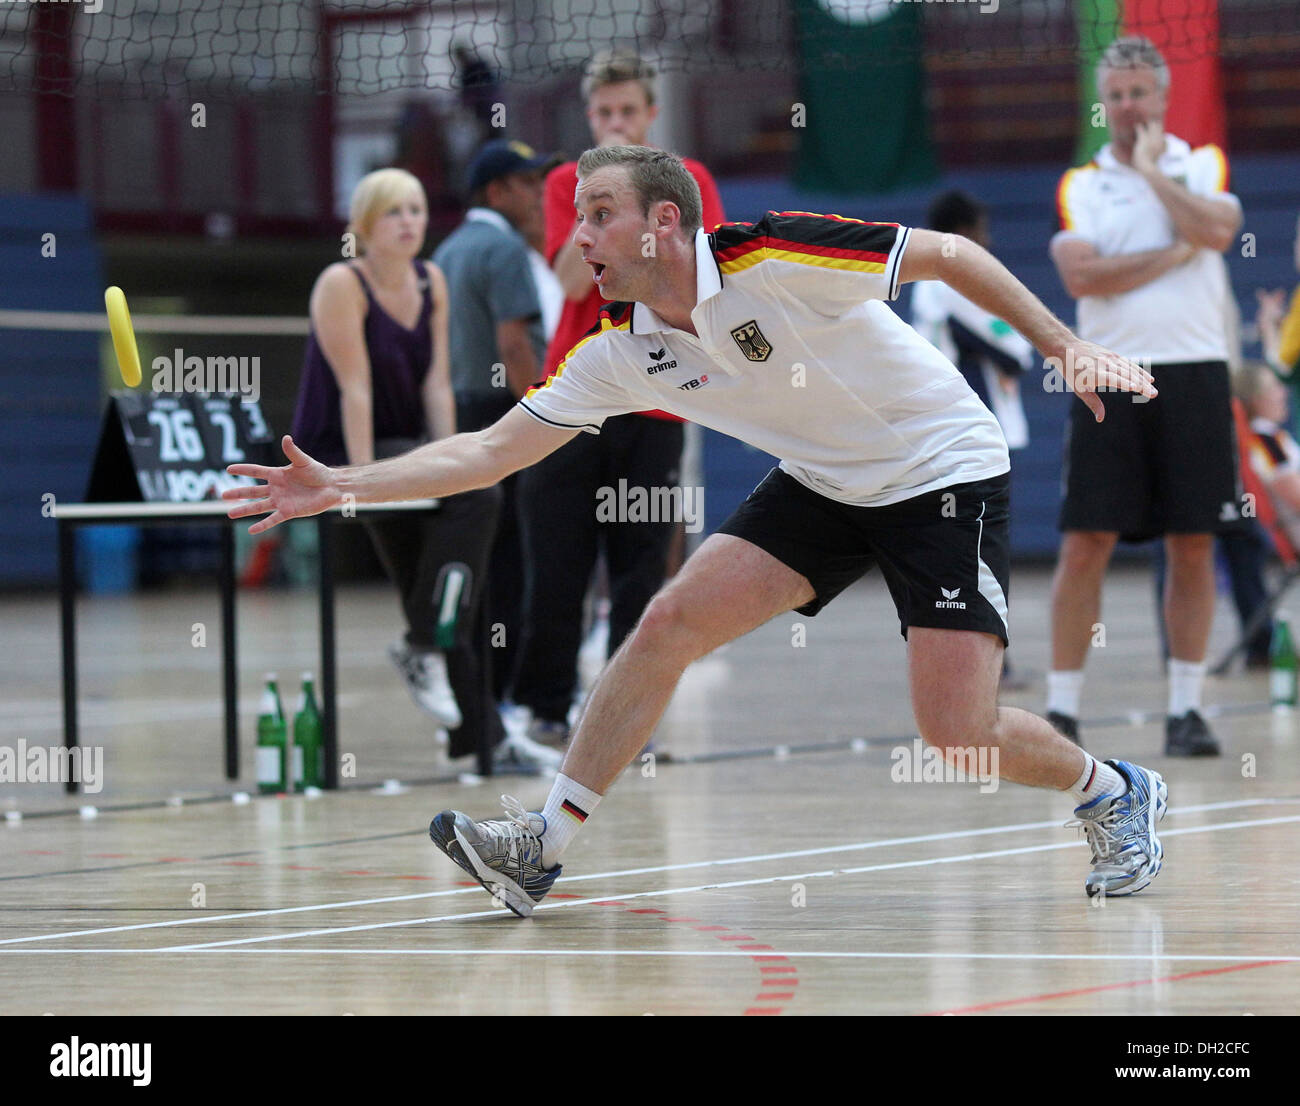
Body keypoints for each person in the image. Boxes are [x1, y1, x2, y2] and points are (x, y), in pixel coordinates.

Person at [226, 145, 1165, 918]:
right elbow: (487, 453)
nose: (578, 233)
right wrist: (342, 486)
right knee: (670, 619)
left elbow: (951, 257)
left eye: (598, 213)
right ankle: (541, 848)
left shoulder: (773, 254)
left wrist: (1064, 345)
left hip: (942, 470)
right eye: (577, 216)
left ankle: (1112, 789)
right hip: (826, 482)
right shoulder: (620, 352)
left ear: (662, 222)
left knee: (955, 731)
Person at [288, 167, 541, 776]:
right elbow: (354, 389)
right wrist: (358, 482)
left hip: (408, 440)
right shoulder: (340, 283)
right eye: (395, 212)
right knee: (439, 583)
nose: (410, 222)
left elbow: (435, 382)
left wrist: (455, 457)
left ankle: (456, 700)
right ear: (366, 225)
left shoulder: (432, 281)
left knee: (463, 546)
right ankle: (476, 727)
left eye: (418, 210)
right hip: (342, 449)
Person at [510, 50, 727, 745]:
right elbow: (576, 283)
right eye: (604, 113)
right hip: (574, 397)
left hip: (659, 397)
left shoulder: (690, 183)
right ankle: (546, 709)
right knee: (559, 563)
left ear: (651, 114)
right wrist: (600, 205)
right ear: (590, 117)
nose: (616, 123)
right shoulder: (561, 185)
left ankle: (622, 718)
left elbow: (703, 276)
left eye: (628, 111)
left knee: (641, 573)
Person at [1047, 36, 1242, 756]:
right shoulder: (1082, 184)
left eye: (1140, 94)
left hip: (1194, 371)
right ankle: (1063, 710)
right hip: (1109, 372)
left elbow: (1219, 229)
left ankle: (1186, 709)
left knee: (1193, 544)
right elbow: (1083, 278)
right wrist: (1174, 251)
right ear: (1106, 103)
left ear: (1161, 98)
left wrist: (1156, 174)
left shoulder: (1202, 164)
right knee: (1085, 541)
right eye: (1117, 95)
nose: (1128, 107)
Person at [432, 139, 556, 718]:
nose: (538, 194)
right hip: (501, 413)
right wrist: (543, 421)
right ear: (496, 191)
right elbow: (513, 344)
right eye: (527, 183)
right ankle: (503, 704)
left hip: (456, 417)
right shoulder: (504, 250)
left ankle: (473, 702)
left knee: (473, 561)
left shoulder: (447, 251)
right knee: (512, 562)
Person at [911, 189, 1034, 690]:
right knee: (970, 548)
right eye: (979, 231)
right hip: (960, 434)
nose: (987, 240)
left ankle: (978, 655)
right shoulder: (942, 284)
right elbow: (1003, 350)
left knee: (972, 547)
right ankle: (979, 659)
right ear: (960, 234)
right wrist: (1010, 354)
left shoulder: (950, 284)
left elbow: (1014, 348)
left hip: (976, 433)